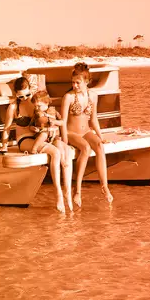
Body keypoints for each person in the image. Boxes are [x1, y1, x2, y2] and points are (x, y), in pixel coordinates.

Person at [1, 77, 73, 213]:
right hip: (25, 138)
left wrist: (59, 134)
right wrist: (4, 146)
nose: (24, 98)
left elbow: (52, 118)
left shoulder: (36, 102)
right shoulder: (13, 107)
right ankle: (58, 193)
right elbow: (7, 128)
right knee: (55, 153)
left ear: (30, 90)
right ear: (15, 93)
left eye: (27, 94)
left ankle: (68, 192)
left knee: (67, 152)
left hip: (42, 135)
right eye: (20, 96)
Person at [60, 62, 114, 205]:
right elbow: (63, 123)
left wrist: (100, 137)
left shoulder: (93, 96)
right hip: (72, 133)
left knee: (99, 146)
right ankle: (77, 190)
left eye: (78, 83)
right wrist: (65, 142)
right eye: (73, 82)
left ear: (87, 82)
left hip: (86, 131)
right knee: (85, 148)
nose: (75, 85)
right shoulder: (68, 97)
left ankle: (105, 186)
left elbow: (94, 119)